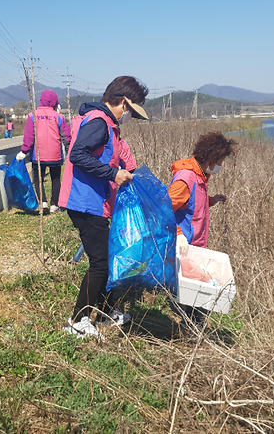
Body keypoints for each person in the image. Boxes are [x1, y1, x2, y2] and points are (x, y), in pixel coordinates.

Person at [58, 76, 149, 338]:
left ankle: (107, 311)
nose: (129, 115)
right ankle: (78, 319)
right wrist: (113, 174)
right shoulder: (99, 122)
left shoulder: (106, 122)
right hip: (86, 203)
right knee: (100, 264)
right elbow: (77, 154)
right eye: (131, 110)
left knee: (107, 259)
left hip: (94, 202)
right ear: (122, 102)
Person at [168, 132, 237, 322]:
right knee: (190, 299)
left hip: (195, 247)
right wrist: (179, 234)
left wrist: (211, 201)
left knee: (194, 297)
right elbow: (164, 210)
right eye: (220, 161)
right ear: (210, 158)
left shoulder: (201, 177)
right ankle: (186, 328)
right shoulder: (186, 178)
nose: (220, 166)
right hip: (184, 247)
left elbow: (192, 204)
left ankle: (189, 325)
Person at [17, 90, 72, 213]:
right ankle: (54, 205)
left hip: (38, 156)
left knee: (38, 179)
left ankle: (43, 203)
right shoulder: (59, 117)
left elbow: (29, 136)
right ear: (55, 102)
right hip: (55, 155)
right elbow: (66, 137)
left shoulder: (33, 116)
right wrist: (70, 152)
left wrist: (24, 151)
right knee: (56, 179)